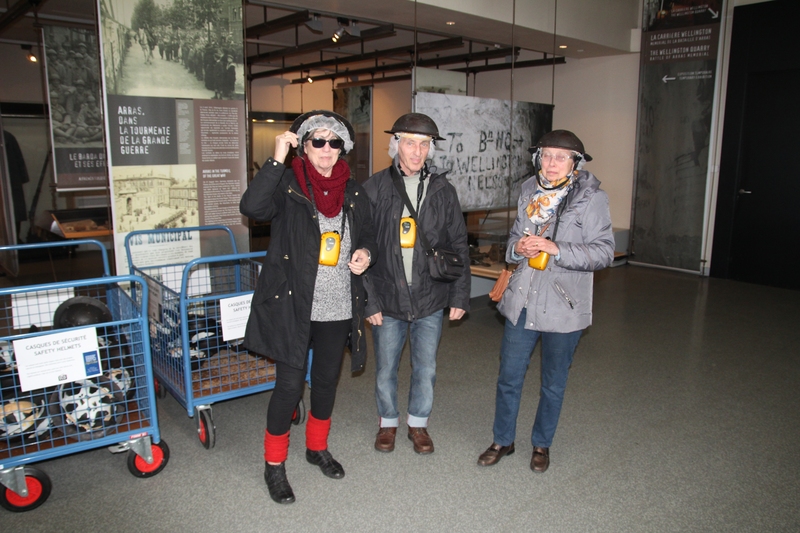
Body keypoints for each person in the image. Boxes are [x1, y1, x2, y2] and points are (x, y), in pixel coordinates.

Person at [240, 110, 378, 504]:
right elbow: (252, 207)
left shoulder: (353, 190)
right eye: (318, 140)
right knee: (288, 386)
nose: (326, 148)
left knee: (326, 382)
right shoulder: (286, 184)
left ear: (342, 149)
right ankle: (274, 464)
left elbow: (368, 233)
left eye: (334, 142)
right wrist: (276, 159)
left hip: (338, 306)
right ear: (303, 146)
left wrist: (365, 252)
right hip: (294, 305)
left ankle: (316, 448)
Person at [477, 130, 614, 472]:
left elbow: (604, 252)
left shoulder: (592, 198)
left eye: (561, 157)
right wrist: (517, 248)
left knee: (553, 383)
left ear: (575, 163)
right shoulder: (529, 190)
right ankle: (503, 440)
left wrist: (556, 248)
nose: (552, 163)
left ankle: (542, 444)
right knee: (509, 376)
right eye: (547, 155)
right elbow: (514, 239)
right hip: (522, 301)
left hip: (563, 306)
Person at [363, 113, 470, 455]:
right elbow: (360, 246)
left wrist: (460, 295)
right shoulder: (374, 188)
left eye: (424, 144)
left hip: (429, 296)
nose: (417, 151)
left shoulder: (442, 190)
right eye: (410, 142)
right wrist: (369, 301)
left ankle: (418, 423)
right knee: (385, 368)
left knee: (426, 368)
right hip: (388, 296)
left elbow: (458, 243)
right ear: (396, 144)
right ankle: (388, 422)